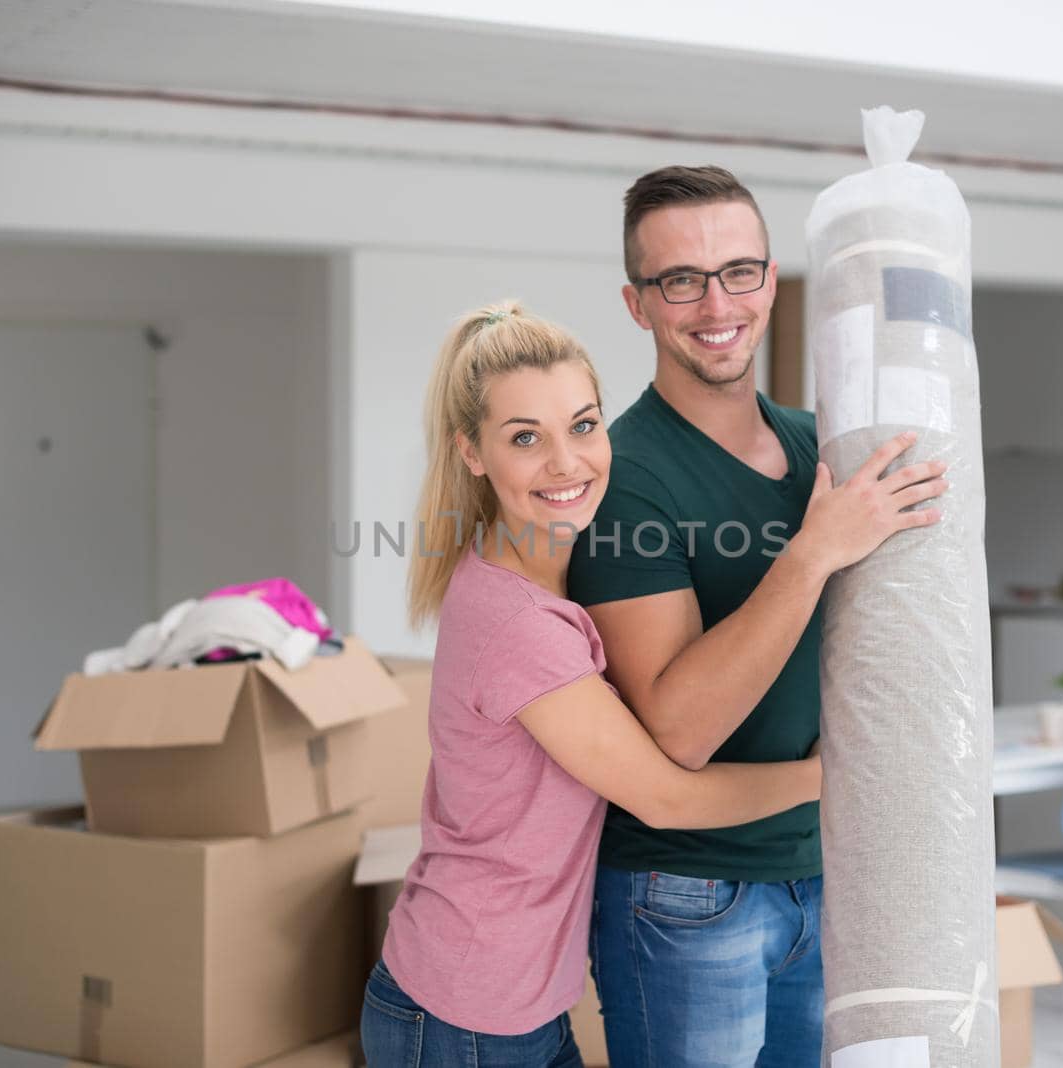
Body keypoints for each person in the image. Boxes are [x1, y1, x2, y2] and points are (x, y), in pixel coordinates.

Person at [360, 301, 825, 1068]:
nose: (567, 463)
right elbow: (667, 796)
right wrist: (821, 780)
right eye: (524, 439)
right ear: (472, 454)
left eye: (583, 425)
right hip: (464, 1020)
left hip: (508, 1006)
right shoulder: (520, 626)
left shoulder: (544, 573)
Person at [567, 165, 949, 1066]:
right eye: (680, 281)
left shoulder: (825, 447)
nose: (715, 304)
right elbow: (680, 729)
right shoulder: (623, 478)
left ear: (772, 281)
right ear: (637, 303)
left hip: (823, 874)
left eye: (739, 271)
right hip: (686, 893)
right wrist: (813, 550)